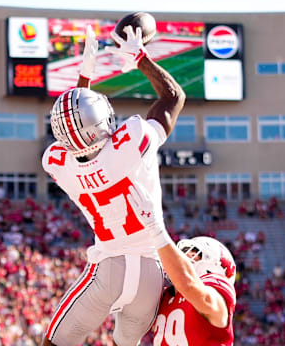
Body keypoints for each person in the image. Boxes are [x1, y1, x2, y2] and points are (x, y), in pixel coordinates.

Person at [41, 22, 186, 346]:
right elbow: (173, 97)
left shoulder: (57, 163)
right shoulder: (134, 138)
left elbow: (74, 139)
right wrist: (140, 58)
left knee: (54, 343)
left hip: (108, 269)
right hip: (152, 271)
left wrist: (83, 80)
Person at [127, 184, 237, 346]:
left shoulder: (216, 296)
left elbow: (190, 286)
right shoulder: (167, 297)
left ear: (212, 265)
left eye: (192, 253)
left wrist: (155, 228)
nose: (182, 257)